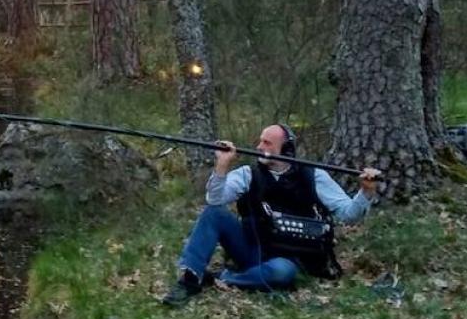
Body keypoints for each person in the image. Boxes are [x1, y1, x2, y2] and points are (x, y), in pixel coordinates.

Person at [161, 124, 381, 306]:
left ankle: (220, 278)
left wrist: (366, 191)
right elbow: (214, 200)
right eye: (260, 141)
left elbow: (348, 214)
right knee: (213, 213)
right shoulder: (248, 174)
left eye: (267, 143)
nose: (259, 147)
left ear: (285, 150)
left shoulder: (314, 176)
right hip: (252, 248)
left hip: (292, 258)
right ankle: (190, 278)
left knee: (281, 272)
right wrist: (222, 165)